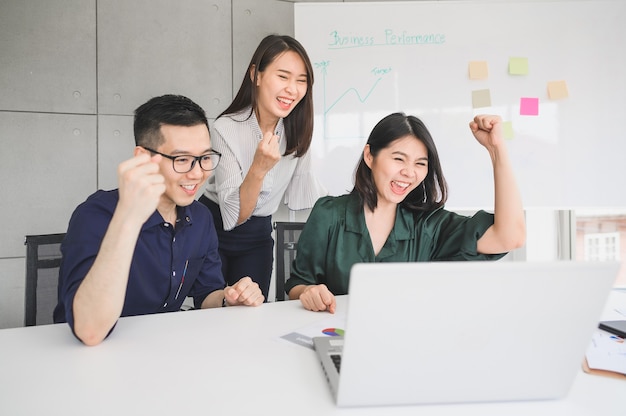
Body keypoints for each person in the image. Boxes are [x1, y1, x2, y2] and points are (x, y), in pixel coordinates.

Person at [54, 94, 264, 346]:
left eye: (205, 158)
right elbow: (89, 332)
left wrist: (228, 299)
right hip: (90, 357)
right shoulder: (95, 215)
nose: (197, 173)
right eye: (182, 160)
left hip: (163, 350)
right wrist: (128, 218)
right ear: (143, 157)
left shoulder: (200, 216)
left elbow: (207, 293)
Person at [285, 113, 526, 313]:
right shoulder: (329, 214)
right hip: (339, 341)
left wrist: (496, 151)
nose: (409, 173)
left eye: (420, 163)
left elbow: (510, 236)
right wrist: (308, 292)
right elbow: (298, 284)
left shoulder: (429, 226)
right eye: (399, 159)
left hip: (406, 345)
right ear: (370, 156)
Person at [199, 34, 326, 299]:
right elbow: (235, 216)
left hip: (258, 236)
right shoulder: (226, 128)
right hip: (214, 230)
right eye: (283, 77)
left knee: (251, 312)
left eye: (301, 81)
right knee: (212, 314)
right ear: (256, 75)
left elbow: (303, 199)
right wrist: (259, 168)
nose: (293, 89)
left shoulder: (299, 132)